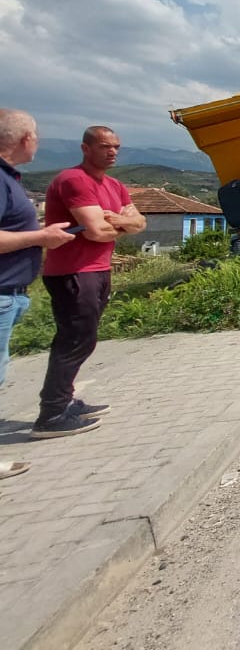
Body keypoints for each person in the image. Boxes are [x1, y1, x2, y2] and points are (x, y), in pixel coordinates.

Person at [33, 126, 147, 439]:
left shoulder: (114, 184)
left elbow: (140, 223)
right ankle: (52, 413)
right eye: (104, 146)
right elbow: (97, 230)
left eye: (116, 147)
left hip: (97, 269)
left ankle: (65, 400)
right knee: (75, 340)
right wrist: (116, 223)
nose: (112, 152)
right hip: (72, 271)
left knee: (84, 338)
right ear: (85, 148)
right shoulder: (73, 180)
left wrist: (118, 220)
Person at [0, 111, 77, 475]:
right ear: (24, 139)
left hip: (11, 291)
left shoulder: (9, 179)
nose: (38, 141)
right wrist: (40, 238)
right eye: (36, 134)